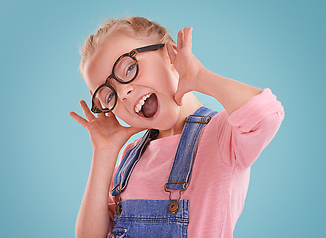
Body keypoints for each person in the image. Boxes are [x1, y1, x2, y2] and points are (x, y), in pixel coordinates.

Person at [69, 16, 284, 238]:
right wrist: (104, 152)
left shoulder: (221, 135)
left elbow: (266, 114)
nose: (123, 94)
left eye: (130, 68)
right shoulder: (130, 157)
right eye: (108, 95)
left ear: (171, 57)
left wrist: (200, 77)